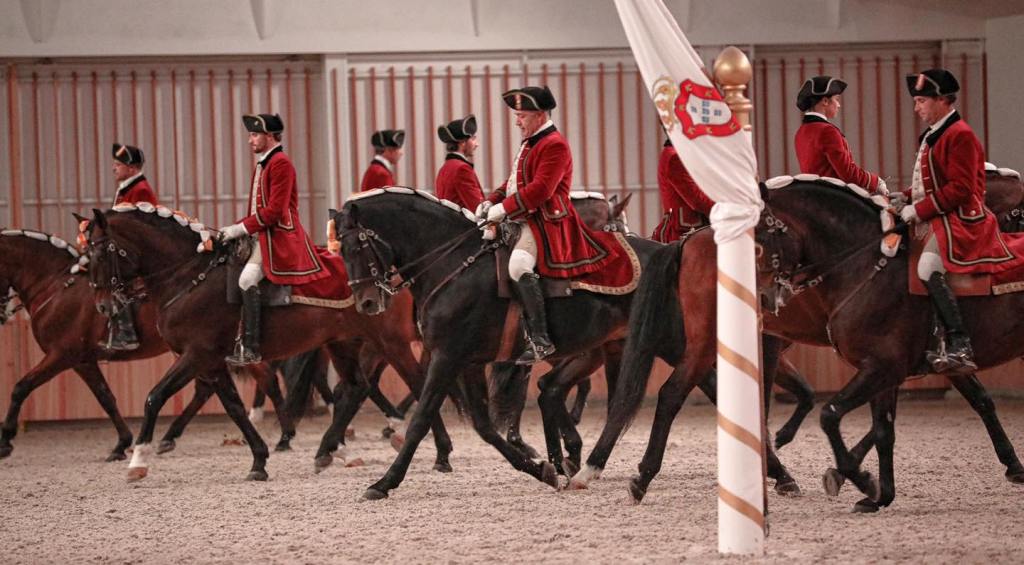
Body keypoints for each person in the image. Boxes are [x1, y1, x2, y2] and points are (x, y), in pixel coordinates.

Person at [895, 69, 1022, 374]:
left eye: (922, 100)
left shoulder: (960, 134)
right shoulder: (934, 134)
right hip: (940, 217)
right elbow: (930, 183)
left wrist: (921, 209)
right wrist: (903, 197)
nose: (917, 108)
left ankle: (959, 343)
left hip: (963, 220)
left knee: (927, 267)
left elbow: (962, 188)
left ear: (942, 100)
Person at [477, 86, 616, 365]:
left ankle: (541, 340)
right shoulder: (531, 142)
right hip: (524, 218)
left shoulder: (554, 144)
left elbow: (541, 190)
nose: (517, 121)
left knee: (518, 266)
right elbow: (513, 182)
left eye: (522, 116)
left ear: (540, 115)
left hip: (546, 223)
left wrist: (502, 209)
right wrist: (489, 200)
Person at [218, 113, 328, 365]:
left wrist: (240, 229)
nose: (250, 140)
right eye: (250, 135)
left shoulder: (280, 164)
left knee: (246, 279)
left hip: (279, 236)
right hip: (264, 234)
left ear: (270, 136)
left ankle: (251, 347)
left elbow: (274, 211)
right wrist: (233, 228)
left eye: (254, 135)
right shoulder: (265, 163)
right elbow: (257, 212)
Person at [100, 143, 158, 351]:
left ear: (132, 169)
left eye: (118, 164)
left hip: (138, 250)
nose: (114, 168)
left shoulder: (141, 190)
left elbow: (138, 225)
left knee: (116, 282)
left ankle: (127, 333)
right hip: (126, 247)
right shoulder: (127, 188)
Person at [794, 75, 886, 194]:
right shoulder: (827, 131)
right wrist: (874, 181)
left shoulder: (800, 132)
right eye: (836, 99)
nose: (838, 105)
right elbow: (848, 174)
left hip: (814, 196)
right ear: (825, 101)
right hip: (834, 198)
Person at [651, 138, 714, 242]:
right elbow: (697, 200)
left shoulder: (676, 154)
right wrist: (728, 210)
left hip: (695, 228)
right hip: (686, 232)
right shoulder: (676, 157)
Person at [435, 114, 484, 210]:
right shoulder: (462, 169)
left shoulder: (445, 168)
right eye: (473, 139)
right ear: (462, 142)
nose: (477, 144)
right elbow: (477, 208)